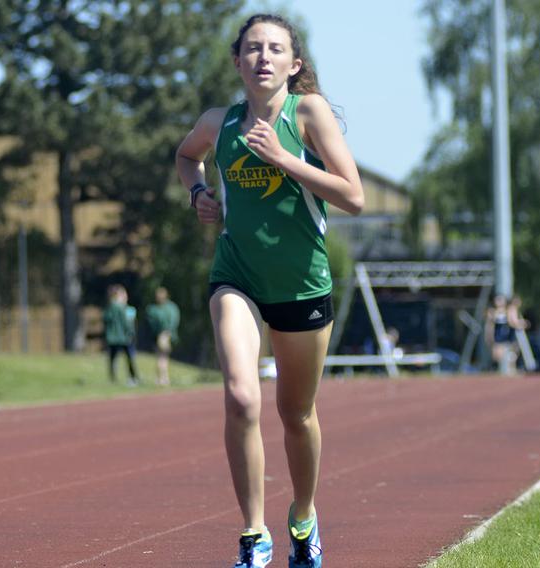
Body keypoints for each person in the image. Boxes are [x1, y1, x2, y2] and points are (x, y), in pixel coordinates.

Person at [175, 13, 363, 568]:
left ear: (293, 64)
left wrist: (284, 159)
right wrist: (199, 194)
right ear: (237, 61)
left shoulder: (309, 114)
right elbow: (187, 157)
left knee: (296, 413)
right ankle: (254, 536)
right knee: (240, 395)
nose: (262, 57)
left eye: (275, 49)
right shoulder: (219, 121)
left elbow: (353, 196)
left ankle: (303, 519)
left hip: (301, 284)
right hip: (237, 275)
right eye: (252, 48)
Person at [103, 284, 139, 386]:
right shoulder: (122, 308)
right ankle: (132, 378)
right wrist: (131, 334)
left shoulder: (112, 308)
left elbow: (105, 319)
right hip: (124, 338)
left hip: (113, 338)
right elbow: (128, 324)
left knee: (114, 358)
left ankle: (114, 379)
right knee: (128, 357)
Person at [146, 287, 180, 386]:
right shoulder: (152, 309)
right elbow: (152, 323)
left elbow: (174, 320)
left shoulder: (171, 307)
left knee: (163, 357)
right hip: (158, 336)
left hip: (167, 335)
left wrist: (168, 332)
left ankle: (163, 378)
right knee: (161, 357)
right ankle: (162, 378)